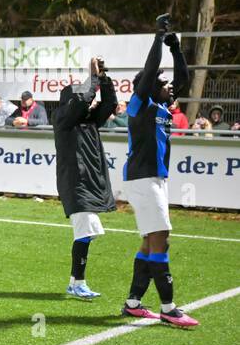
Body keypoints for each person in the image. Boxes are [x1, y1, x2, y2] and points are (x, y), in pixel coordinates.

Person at [120, 18, 197, 327]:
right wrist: (158, 37)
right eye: (163, 84)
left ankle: (133, 303)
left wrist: (176, 49)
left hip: (155, 180)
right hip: (143, 179)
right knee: (160, 239)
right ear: (152, 86)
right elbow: (151, 71)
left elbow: (184, 83)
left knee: (150, 241)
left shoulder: (164, 107)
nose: (169, 88)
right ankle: (168, 308)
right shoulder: (139, 105)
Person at [53, 58, 117, 300]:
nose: (90, 100)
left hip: (89, 183)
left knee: (87, 233)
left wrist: (103, 78)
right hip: (75, 184)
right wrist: (92, 79)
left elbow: (110, 103)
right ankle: (77, 282)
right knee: (84, 232)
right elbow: (81, 101)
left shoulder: (89, 120)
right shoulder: (63, 119)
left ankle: (75, 282)